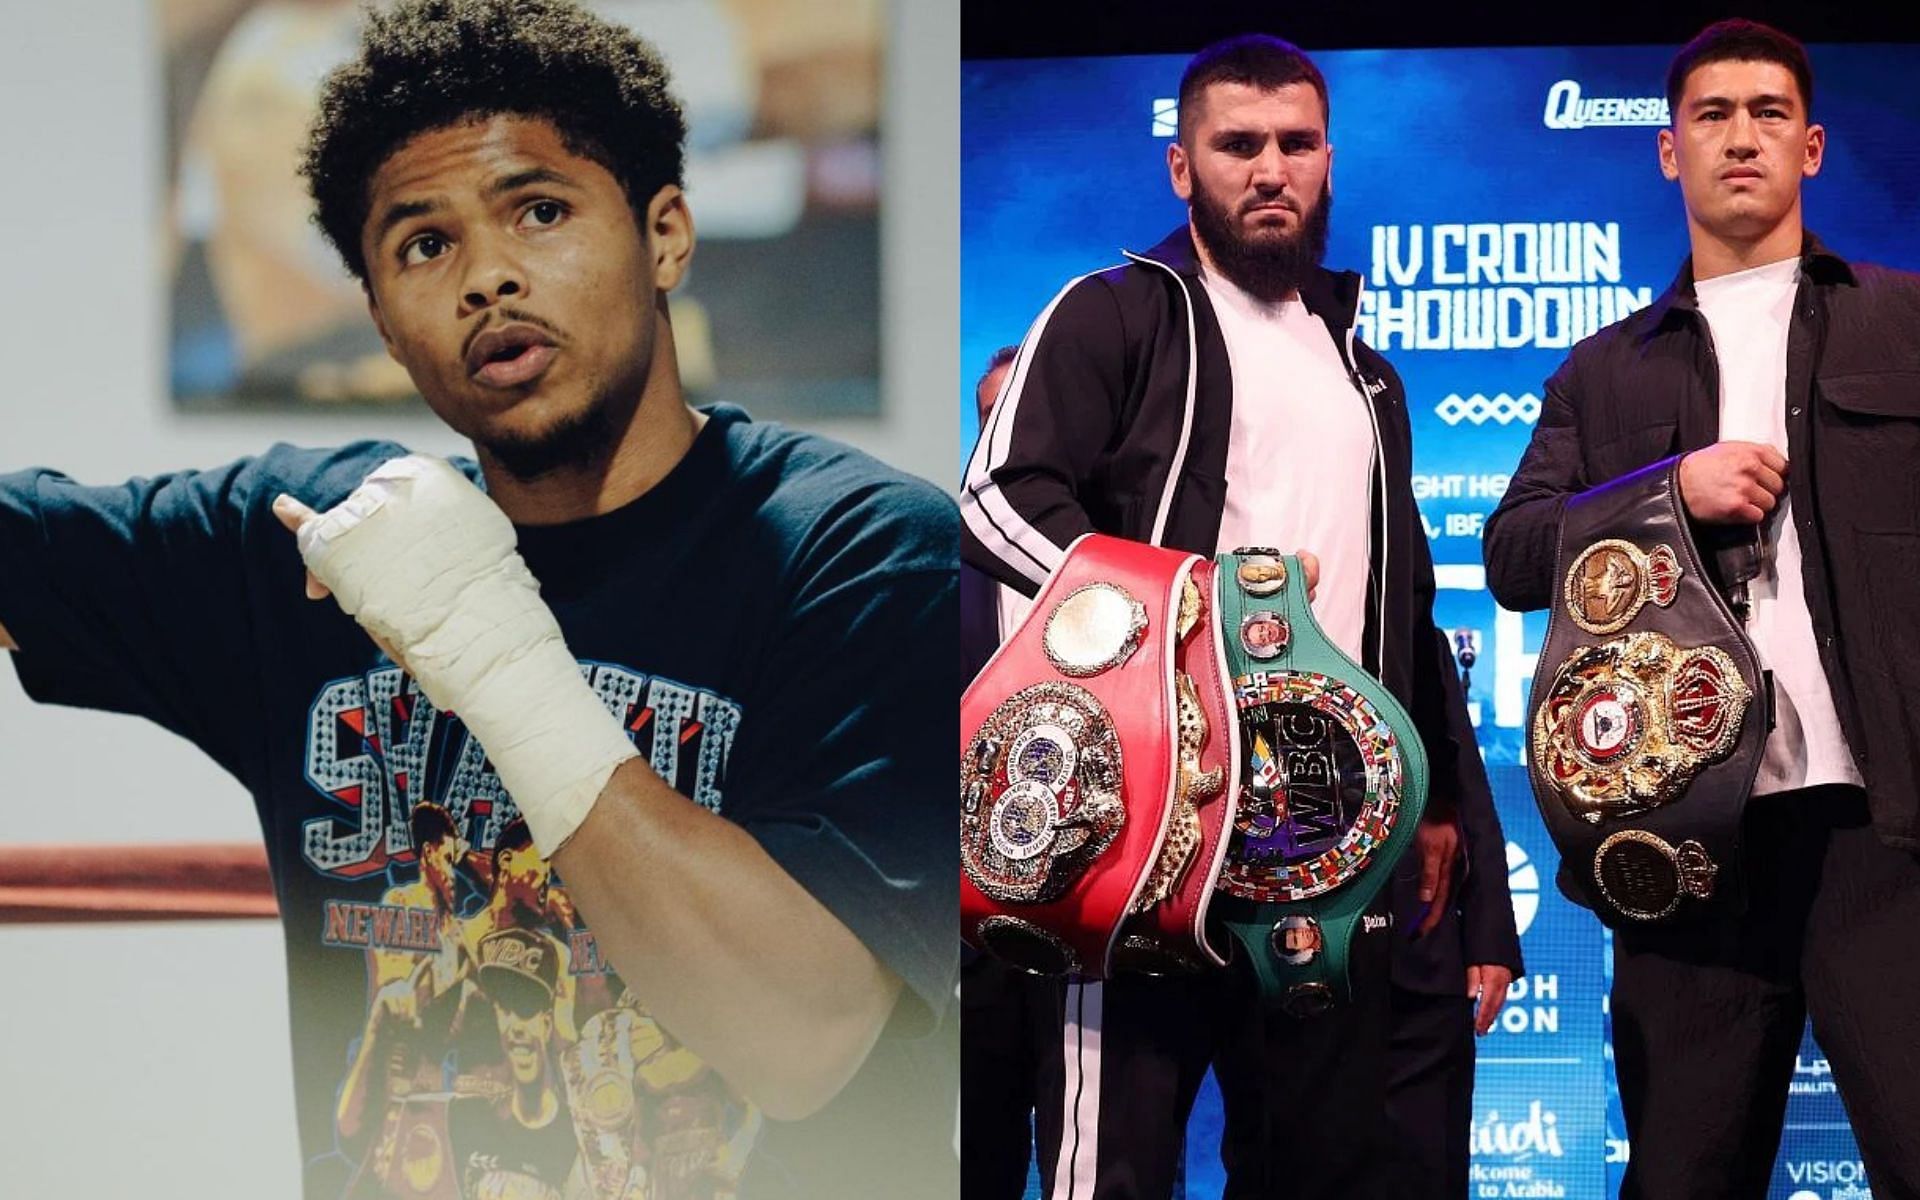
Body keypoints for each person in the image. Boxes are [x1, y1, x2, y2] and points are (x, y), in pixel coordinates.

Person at [0, 2, 956, 1197]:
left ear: (665, 236)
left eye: (541, 212)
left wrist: (486, 646)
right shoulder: (310, 544)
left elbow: (806, 1041)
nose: (488, 275)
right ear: (382, 323)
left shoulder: (860, 552)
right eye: (421, 245)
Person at [959, 33, 1471, 1200]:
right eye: (1238, 146)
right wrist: (1172, 628)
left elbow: (1408, 597)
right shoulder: (1114, 312)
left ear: (1329, 160)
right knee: (1116, 1171)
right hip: (1142, 824)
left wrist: (1432, 788)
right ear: (1183, 167)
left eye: (1295, 144)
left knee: (1318, 1163)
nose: (1270, 169)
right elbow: (996, 500)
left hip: (1325, 833)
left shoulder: (1365, 373)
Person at [1482, 19, 1920, 1198]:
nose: (1741, 137)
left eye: (1768, 114)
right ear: (1669, 152)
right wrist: (1667, 491)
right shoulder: (1602, 370)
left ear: (1813, 147)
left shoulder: (1906, 322)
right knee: (1684, 1176)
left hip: (1884, 830)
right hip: (1686, 845)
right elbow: (1516, 552)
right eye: (1712, 115)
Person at [1384, 630, 1523, 1199]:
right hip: (1290, 960)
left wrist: (1489, 932)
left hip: (1423, 944)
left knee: (1428, 1170)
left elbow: (1461, 765)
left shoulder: (1411, 629)